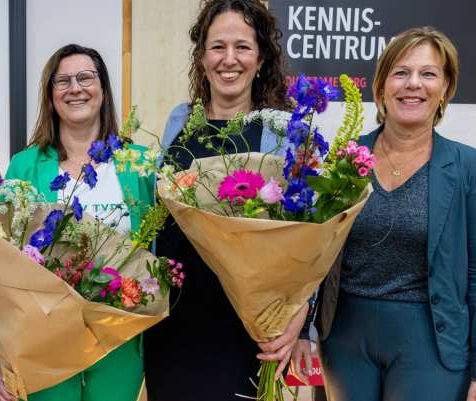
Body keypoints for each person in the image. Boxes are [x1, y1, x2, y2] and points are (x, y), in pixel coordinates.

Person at [292, 27, 476, 401]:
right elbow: (315, 258)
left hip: (431, 343)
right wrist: (298, 332)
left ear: (445, 87)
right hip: (344, 341)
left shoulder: (467, 167)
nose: (414, 85)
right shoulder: (345, 157)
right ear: (382, 85)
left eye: (428, 73)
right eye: (401, 72)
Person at [143, 1, 309, 400]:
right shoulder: (179, 121)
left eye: (242, 47)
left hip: (245, 328)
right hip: (175, 323)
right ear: (201, 56)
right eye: (217, 47)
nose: (228, 60)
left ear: (262, 56)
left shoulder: (285, 132)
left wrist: (301, 313)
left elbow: (309, 238)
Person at [0, 44, 154, 401]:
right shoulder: (24, 166)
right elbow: (2, 263)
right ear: (50, 95)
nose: (75, 88)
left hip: (120, 331)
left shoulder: (140, 164)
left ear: (103, 88)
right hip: (45, 336)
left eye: (85, 77)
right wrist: (4, 351)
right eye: (63, 81)